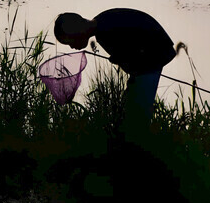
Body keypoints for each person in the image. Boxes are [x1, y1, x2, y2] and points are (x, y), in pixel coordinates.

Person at [54, 9, 176, 141]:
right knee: (132, 105)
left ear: (77, 30)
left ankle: (141, 144)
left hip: (155, 54)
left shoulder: (105, 31)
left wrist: (120, 58)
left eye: (70, 41)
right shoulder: (101, 23)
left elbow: (133, 52)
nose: (72, 47)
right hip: (149, 56)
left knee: (139, 112)